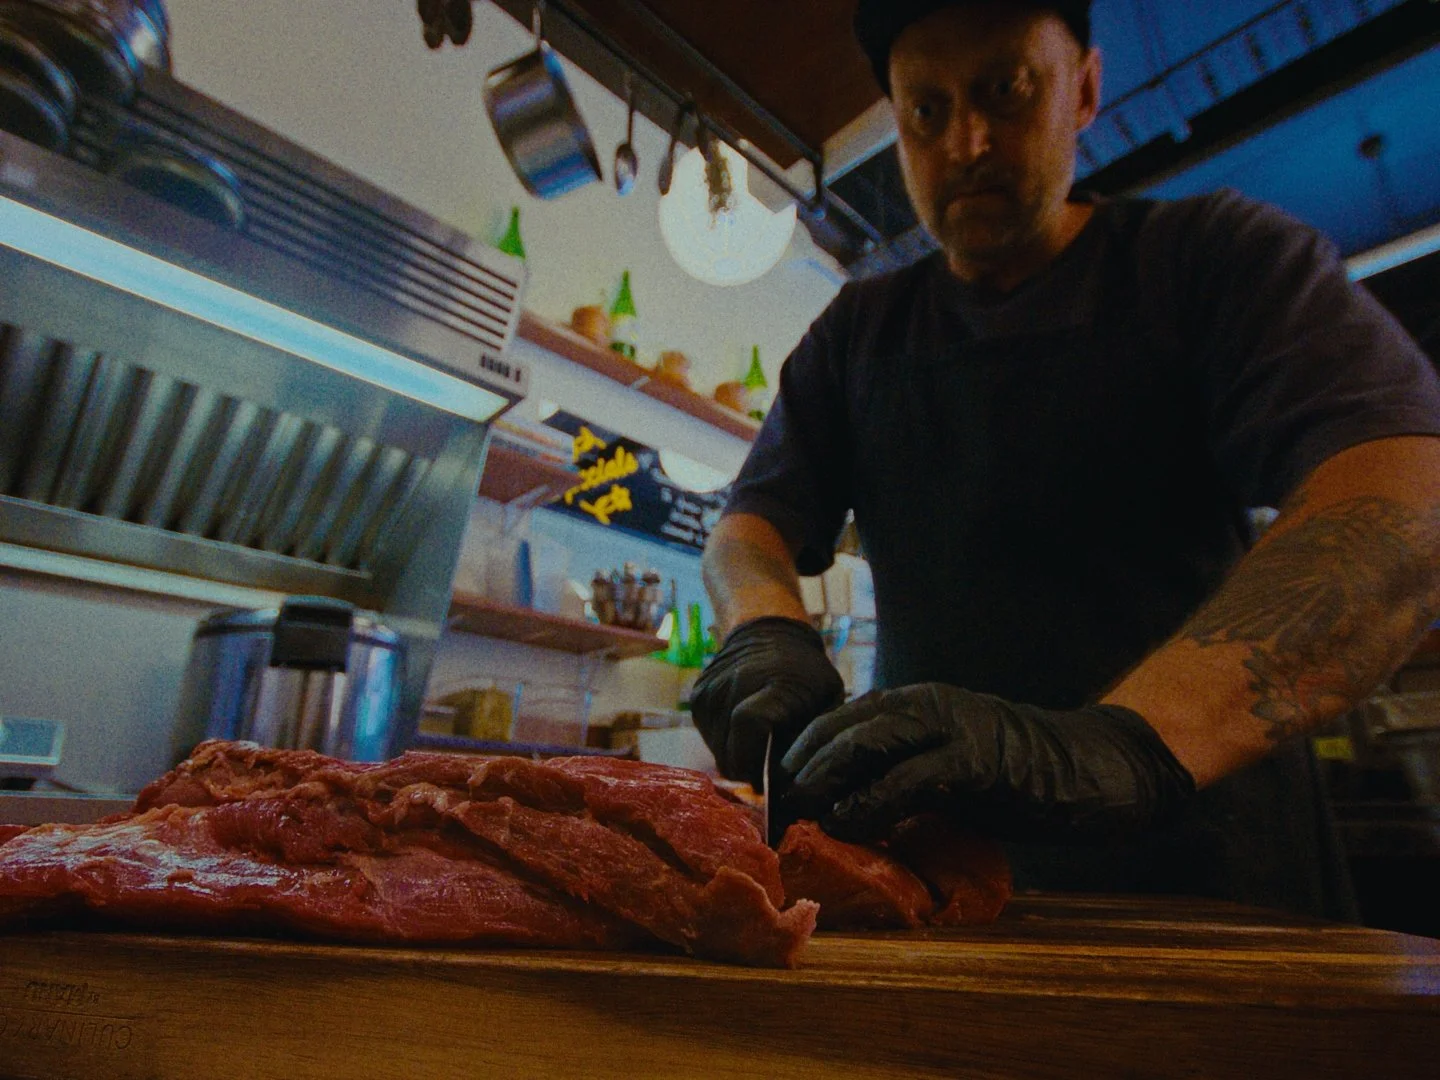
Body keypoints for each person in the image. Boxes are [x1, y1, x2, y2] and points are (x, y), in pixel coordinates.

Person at [691, 0, 1440, 919]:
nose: (966, 143)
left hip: (1218, 885)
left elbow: (1406, 494)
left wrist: (1126, 748)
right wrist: (762, 626)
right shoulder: (856, 336)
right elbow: (748, 527)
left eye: (1006, 91)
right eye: (926, 111)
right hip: (935, 882)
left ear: (1083, 91)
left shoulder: (1215, 260)